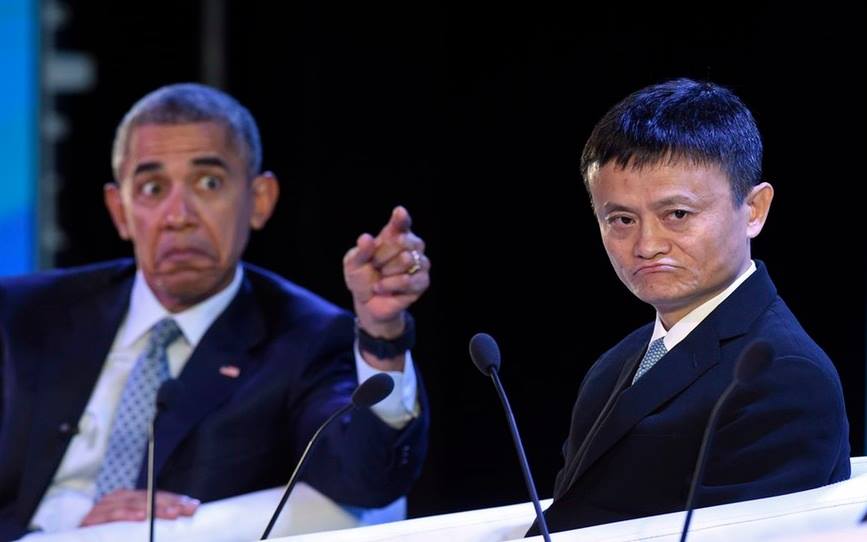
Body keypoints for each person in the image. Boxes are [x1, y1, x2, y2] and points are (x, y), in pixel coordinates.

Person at [0, 83, 431, 539]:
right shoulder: (23, 315)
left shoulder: (305, 338)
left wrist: (383, 333)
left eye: (208, 183)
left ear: (259, 199)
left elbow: (366, 481)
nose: (178, 215)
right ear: (120, 210)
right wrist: (69, 523)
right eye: (152, 188)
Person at [532, 78, 850, 534]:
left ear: (754, 209)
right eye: (621, 219)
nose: (647, 245)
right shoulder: (617, 362)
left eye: (677, 214)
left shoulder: (784, 376)